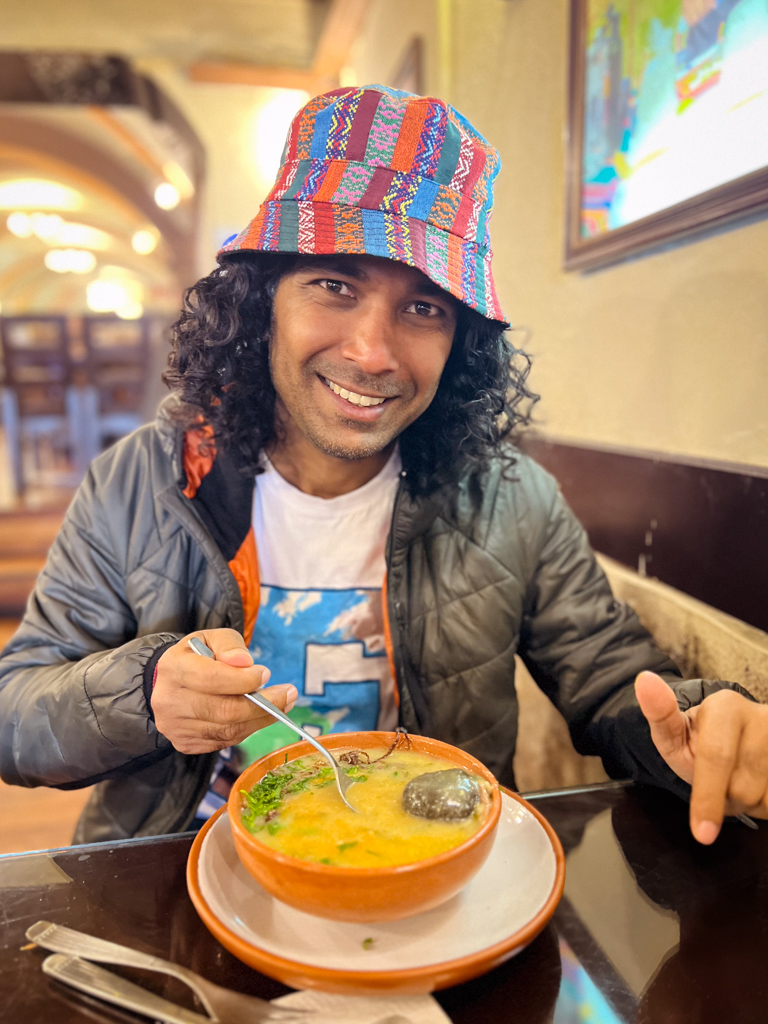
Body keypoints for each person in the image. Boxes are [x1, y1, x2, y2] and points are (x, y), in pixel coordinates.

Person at [0, 86, 765, 846]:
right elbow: (15, 717)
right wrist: (144, 693)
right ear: (262, 301)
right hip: (185, 867)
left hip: (428, 868)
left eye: (424, 307)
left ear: (460, 342)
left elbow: (610, 678)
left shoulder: (511, 497)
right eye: (334, 285)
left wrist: (698, 725)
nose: (372, 352)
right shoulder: (144, 478)